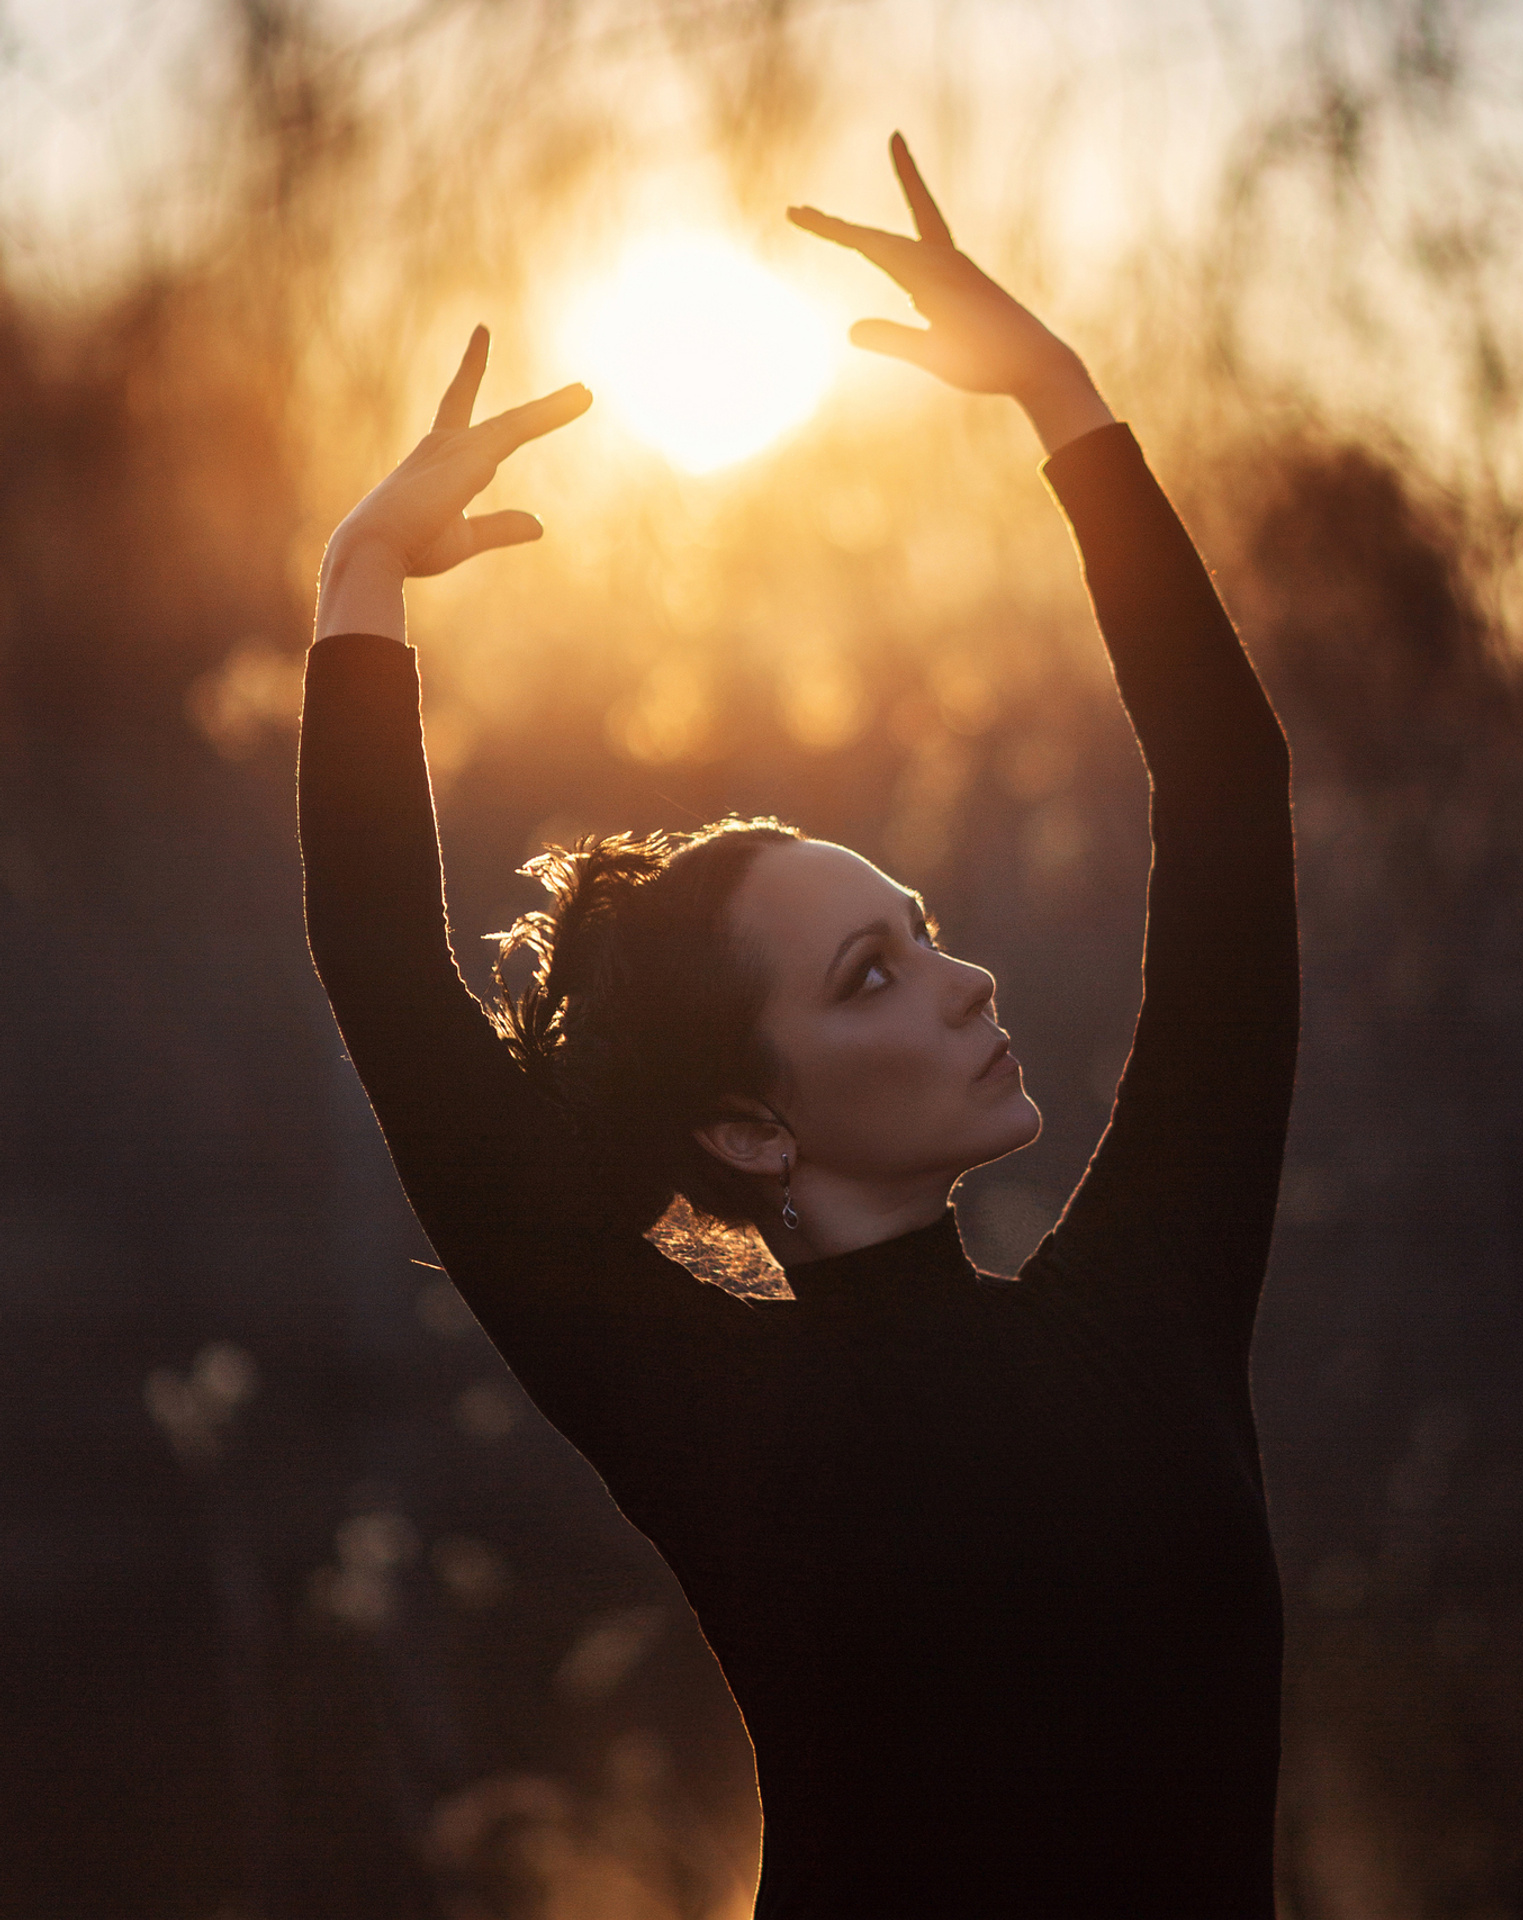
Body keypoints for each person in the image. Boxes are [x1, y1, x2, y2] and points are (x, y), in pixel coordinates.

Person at [300, 134, 1299, 1919]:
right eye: (869, 975)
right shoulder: (714, 1416)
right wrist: (360, 580)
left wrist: (1064, 403)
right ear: (750, 1130)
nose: (965, 979)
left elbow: (1228, 785)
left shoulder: (1157, 1294)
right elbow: (387, 965)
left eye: (920, 934)